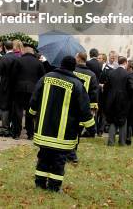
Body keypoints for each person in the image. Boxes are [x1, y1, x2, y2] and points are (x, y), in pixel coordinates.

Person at [29, 55, 95, 193]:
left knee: (43, 157)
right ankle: (54, 187)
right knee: (59, 160)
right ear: (73, 68)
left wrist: (32, 113)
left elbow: (35, 98)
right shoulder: (77, 84)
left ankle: (40, 183)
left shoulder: (46, 78)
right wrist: (91, 128)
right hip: (63, 133)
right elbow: (84, 108)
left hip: (44, 129)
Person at [67, 52, 98, 162]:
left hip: (68, 105)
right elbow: (94, 93)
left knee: (68, 131)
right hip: (82, 108)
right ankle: (72, 152)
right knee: (77, 132)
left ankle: (71, 154)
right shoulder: (92, 75)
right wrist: (92, 108)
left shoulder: (71, 71)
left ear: (79, 59)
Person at [11, 45, 45, 140]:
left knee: (18, 112)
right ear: (33, 52)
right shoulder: (38, 63)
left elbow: (13, 76)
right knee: (30, 112)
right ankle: (30, 134)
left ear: (24, 52)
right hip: (32, 90)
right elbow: (42, 78)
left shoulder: (18, 61)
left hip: (19, 89)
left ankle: (16, 133)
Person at [103, 56, 133, 146]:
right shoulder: (128, 74)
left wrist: (107, 97)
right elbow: (131, 88)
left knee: (112, 120)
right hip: (124, 100)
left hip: (112, 99)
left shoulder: (111, 73)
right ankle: (122, 141)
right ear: (125, 62)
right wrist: (129, 97)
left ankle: (111, 141)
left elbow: (106, 87)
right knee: (123, 120)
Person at [0, 40, 18, 137]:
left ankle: (5, 128)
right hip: (15, 85)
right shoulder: (17, 57)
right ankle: (10, 127)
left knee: (4, 107)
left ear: (4, 48)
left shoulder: (3, 58)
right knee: (11, 106)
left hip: (5, 84)